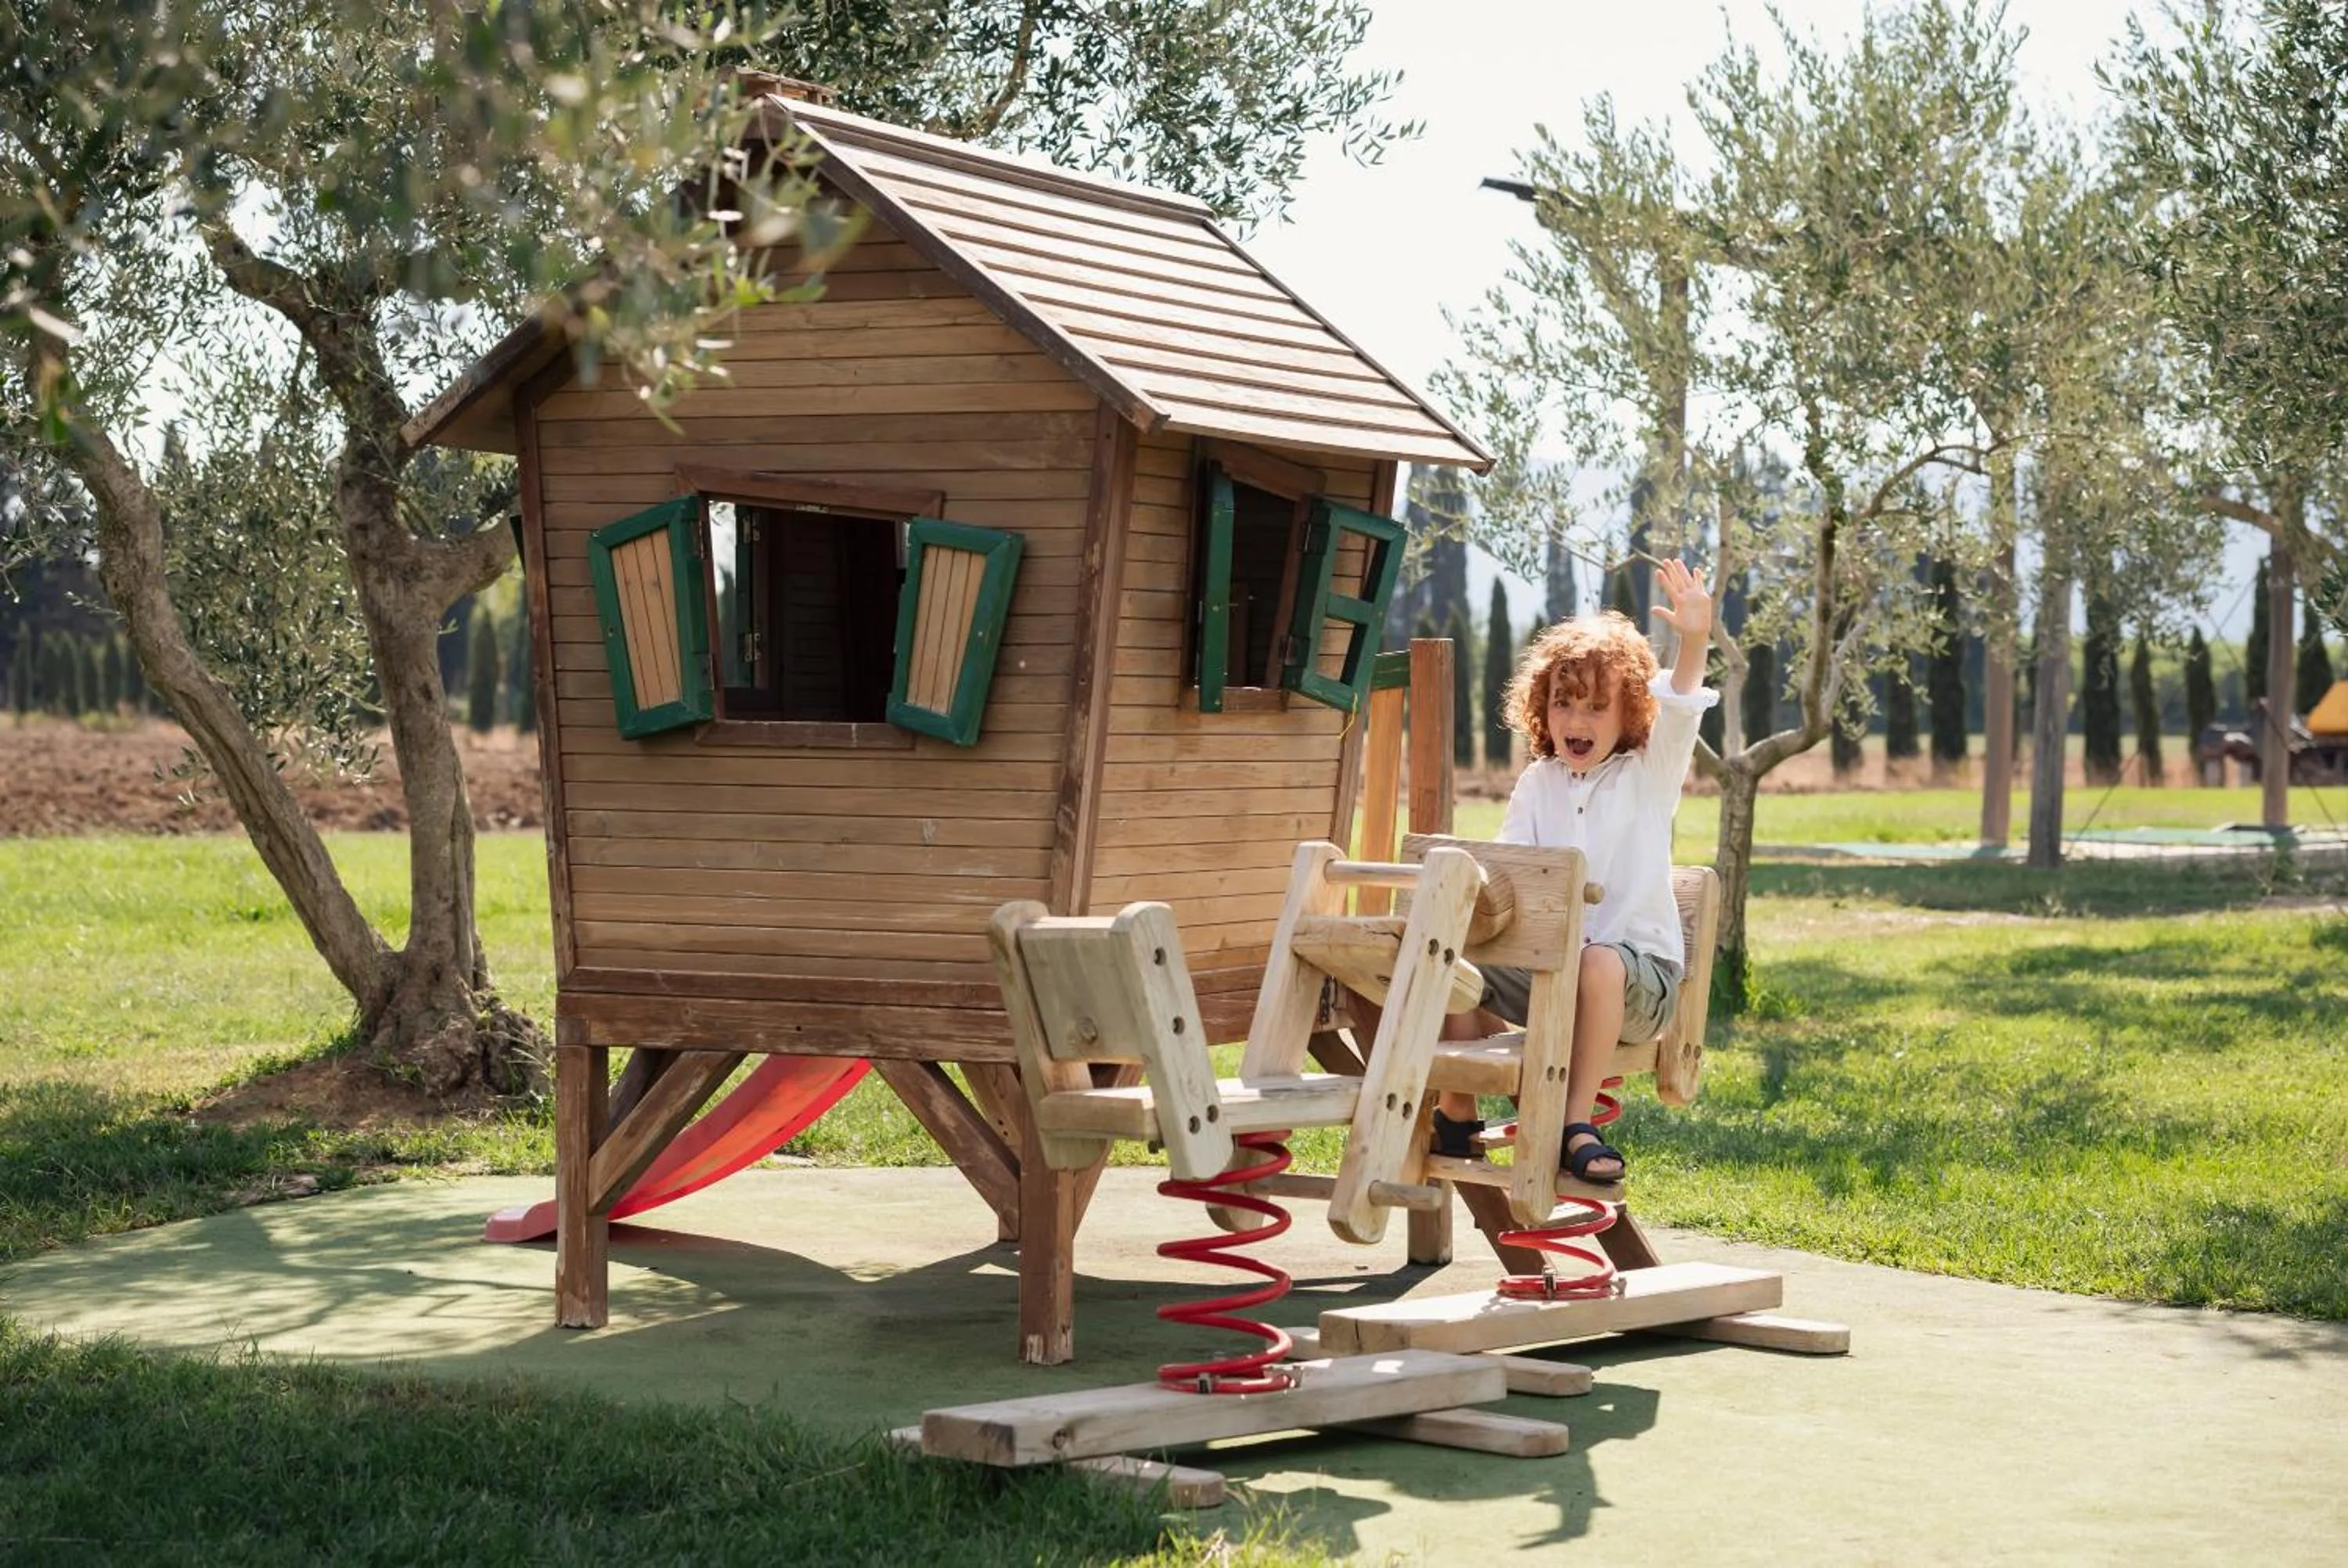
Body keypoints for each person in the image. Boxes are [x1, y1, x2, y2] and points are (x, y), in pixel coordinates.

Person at [1427, 557, 1716, 1185]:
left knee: (1599, 960)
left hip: (1638, 982)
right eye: (1563, 703)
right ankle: (1458, 1108)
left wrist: (1693, 640)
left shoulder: (1648, 775)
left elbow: (1683, 706)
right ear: (1542, 708)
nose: (1576, 722)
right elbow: (1510, 876)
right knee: (1448, 958)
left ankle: (1573, 1124)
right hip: (1548, 975)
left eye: (1595, 707)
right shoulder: (1538, 782)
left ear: (1630, 715)